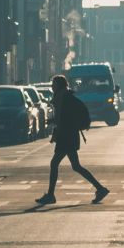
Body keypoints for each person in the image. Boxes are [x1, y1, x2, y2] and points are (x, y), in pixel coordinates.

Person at [36, 74, 109, 206]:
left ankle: (51, 195)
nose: (52, 87)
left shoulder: (65, 99)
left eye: (53, 85)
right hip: (68, 136)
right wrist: (53, 121)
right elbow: (66, 117)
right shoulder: (64, 97)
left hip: (66, 137)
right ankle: (100, 188)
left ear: (58, 86)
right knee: (76, 166)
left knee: (55, 164)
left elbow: (66, 118)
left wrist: (58, 126)